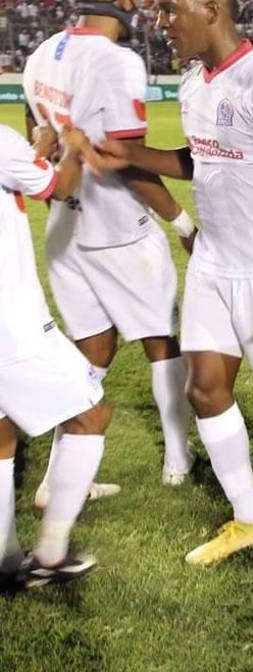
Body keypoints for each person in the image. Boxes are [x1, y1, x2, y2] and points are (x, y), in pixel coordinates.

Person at [88, 0, 253, 564]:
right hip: (212, 263)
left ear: (211, 8)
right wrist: (132, 157)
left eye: (169, 8)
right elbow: (204, 158)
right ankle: (249, 518)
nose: (160, 20)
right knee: (205, 390)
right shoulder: (193, 81)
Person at [21, 0, 196, 501]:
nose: (142, 1)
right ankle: (178, 458)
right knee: (162, 342)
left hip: (62, 231)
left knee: (91, 349)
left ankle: (58, 478)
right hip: (117, 229)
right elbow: (128, 159)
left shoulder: (41, 52)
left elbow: (37, 138)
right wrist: (182, 220)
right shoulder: (118, 63)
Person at [0, 120, 111, 588]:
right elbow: (57, 187)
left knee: (2, 437)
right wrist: (71, 148)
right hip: (12, 323)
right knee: (91, 415)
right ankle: (50, 554)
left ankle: (4, 562)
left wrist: (32, 151)